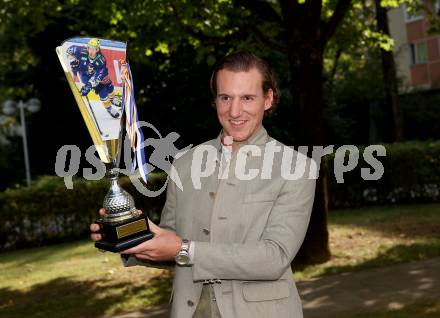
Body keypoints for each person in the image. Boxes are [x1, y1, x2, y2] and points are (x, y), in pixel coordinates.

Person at [90, 51, 316, 318]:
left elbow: (274, 258)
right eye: (225, 97)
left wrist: (184, 249)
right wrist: (134, 237)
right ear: (215, 100)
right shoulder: (185, 164)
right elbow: (171, 241)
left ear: (268, 99)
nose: (234, 111)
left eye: (247, 98)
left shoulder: (297, 168)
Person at [66, 38, 121, 119]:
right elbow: (69, 51)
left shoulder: (100, 60)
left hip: (99, 76)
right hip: (86, 77)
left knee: (110, 86)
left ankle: (112, 99)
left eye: (93, 49)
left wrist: (89, 86)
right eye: (89, 48)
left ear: (97, 49)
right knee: (103, 92)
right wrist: (73, 63)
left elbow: (98, 75)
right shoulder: (81, 51)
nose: (90, 51)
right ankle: (109, 109)